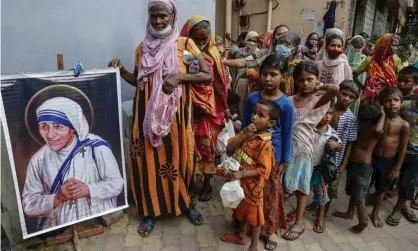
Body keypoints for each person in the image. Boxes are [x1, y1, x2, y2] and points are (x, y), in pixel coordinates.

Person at [108, 0, 212, 237]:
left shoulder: (185, 45)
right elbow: (138, 80)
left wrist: (179, 78)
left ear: (172, 17)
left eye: (163, 16)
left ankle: (184, 204)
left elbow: (206, 75)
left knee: (180, 156)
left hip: (176, 115)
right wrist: (121, 70)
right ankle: (149, 212)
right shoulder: (141, 48)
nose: (158, 21)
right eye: (153, 16)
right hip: (145, 116)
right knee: (148, 162)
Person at [22, 97, 124, 230]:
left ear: (73, 128)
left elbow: (116, 183)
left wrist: (87, 190)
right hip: (58, 228)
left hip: (96, 220)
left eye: (58, 126)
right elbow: (29, 205)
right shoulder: (38, 160)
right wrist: (57, 198)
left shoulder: (96, 147)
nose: (50, 135)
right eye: (44, 127)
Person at [241, 55, 294, 250]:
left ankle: (270, 228)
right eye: (264, 74)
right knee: (250, 188)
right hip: (251, 151)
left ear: (283, 77)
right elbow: (246, 124)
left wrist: (285, 160)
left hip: (273, 154)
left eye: (274, 74)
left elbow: (288, 133)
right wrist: (240, 148)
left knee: (271, 192)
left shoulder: (286, 104)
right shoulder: (253, 98)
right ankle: (247, 223)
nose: (268, 78)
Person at [282, 61, 339, 241]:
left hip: (304, 150)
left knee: (302, 188)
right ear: (295, 81)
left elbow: (335, 89)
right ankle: (278, 217)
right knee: (282, 186)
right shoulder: (289, 101)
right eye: (301, 80)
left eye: (310, 79)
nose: (305, 83)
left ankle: (298, 223)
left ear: (317, 80)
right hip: (286, 149)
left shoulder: (318, 100)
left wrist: (320, 87)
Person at [180, 16, 230, 202]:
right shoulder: (180, 53)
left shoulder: (213, 54)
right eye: (197, 39)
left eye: (205, 38)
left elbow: (218, 83)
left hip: (207, 109)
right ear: (188, 36)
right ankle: (189, 183)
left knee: (207, 146)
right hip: (186, 107)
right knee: (187, 145)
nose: (202, 43)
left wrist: (225, 108)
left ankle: (207, 181)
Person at [220, 100, 277, 251]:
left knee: (255, 219)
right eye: (254, 113)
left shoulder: (265, 144)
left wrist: (242, 173)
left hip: (253, 188)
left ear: (270, 122)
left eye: (260, 115)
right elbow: (229, 149)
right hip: (241, 184)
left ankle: (253, 247)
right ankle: (241, 236)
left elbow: (264, 170)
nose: (254, 117)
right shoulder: (247, 132)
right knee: (242, 210)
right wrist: (244, 134)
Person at [304, 80, 359, 220]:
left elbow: (350, 142)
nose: (346, 98)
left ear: (355, 100)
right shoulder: (326, 108)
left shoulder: (351, 118)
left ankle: (323, 213)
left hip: (334, 160)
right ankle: (315, 202)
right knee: (314, 182)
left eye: (351, 97)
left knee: (329, 186)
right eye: (344, 94)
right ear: (338, 92)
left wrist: (344, 164)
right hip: (316, 154)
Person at [332, 103, 385, 233]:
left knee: (359, 197)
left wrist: (383, 113)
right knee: (353, 192)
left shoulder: (374, 131)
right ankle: (350, 212)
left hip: (364, 167)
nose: (364, 123)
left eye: (368, 121)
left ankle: (363, 223)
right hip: (353, 164)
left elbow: (378, 130)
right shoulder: (359, 126)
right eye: (362, 120)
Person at [369, 87, 409, 228]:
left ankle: (375, 213)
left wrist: (397, 168)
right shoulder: (379, 119)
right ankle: (351, 209)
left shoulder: (403, 125)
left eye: (396, 100)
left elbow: (403, 148)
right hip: (371, 157)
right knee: (365, 184)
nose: (392, 103)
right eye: (388, 101)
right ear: (382, 104)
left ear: (401, 102)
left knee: (381, 189)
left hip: (388, 161)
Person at [224, 32, 301, 97]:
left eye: (287, 43)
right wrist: (221, 61)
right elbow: (244, 62)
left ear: (294, 49)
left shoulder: (299, 65)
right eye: (280, 42)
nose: (282, 45)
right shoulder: (266, 55)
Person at [386, 87, 418, 225]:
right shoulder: (404, 106)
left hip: (415, 154)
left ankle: (398, 209)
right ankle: (377, 198)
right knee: (389, 176)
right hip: (397, 149)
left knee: (408, 182)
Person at [311, 105, 342, 234]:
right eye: (324, 113)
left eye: (330, 113)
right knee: (302, 190)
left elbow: (340, 146)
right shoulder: (311, 128)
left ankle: (320, 217)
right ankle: (298, 211)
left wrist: (335, 145)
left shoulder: (332, 133)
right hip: (307, 165)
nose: (328, 116)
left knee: (321, 193)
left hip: (320, 169)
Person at [354, 34, 402, 104]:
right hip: (369, 101)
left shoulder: (395, 60)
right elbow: (354, 74)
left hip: (388, 100)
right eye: (393, 45)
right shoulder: (370, 61)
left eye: (397, 46)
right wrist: (363, 87)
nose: (396, 48)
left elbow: (401, 78)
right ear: (385, 45)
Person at [346, 35, 367, 115]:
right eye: (355, 47)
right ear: (350, 45)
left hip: (357, 93)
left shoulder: (364, 60)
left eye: (360, 47)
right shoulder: (343, 60)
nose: (357, 50)